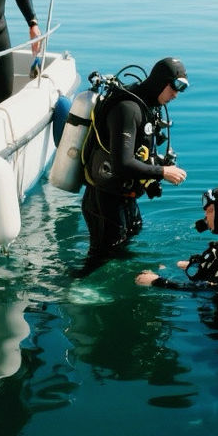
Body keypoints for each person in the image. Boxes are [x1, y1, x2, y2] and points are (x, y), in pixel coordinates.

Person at [73, 57, 189, 277]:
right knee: (100, 258)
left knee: (123, 244)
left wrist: (158, 167)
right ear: (160, 82)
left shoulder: (148, 105)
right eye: (175, 87)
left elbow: (141, 152)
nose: (176, 94)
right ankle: (75, 291)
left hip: (123, 197)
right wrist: (163, 172)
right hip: (104, 200)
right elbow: (122, 163)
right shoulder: (127, 109)